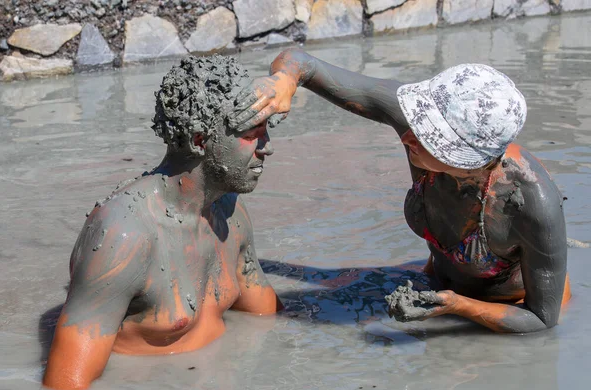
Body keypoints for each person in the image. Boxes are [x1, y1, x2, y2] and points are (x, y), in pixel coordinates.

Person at [229, 48, 571, 334]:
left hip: (501, 316)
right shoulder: (414, 129)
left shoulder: (532, 204)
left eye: (429, 137)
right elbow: (302, 62)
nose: (408, 136)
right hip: (437, 288)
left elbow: (543, 320)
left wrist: (458, 306)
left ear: (469, 158)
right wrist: (283, 80)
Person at [43, 55, 282, 390]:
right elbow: (64, 388)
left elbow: (268, 317)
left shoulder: (229, 212)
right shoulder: (122, 236)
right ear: (200, 140)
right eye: (252, 135)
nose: (267, 148)